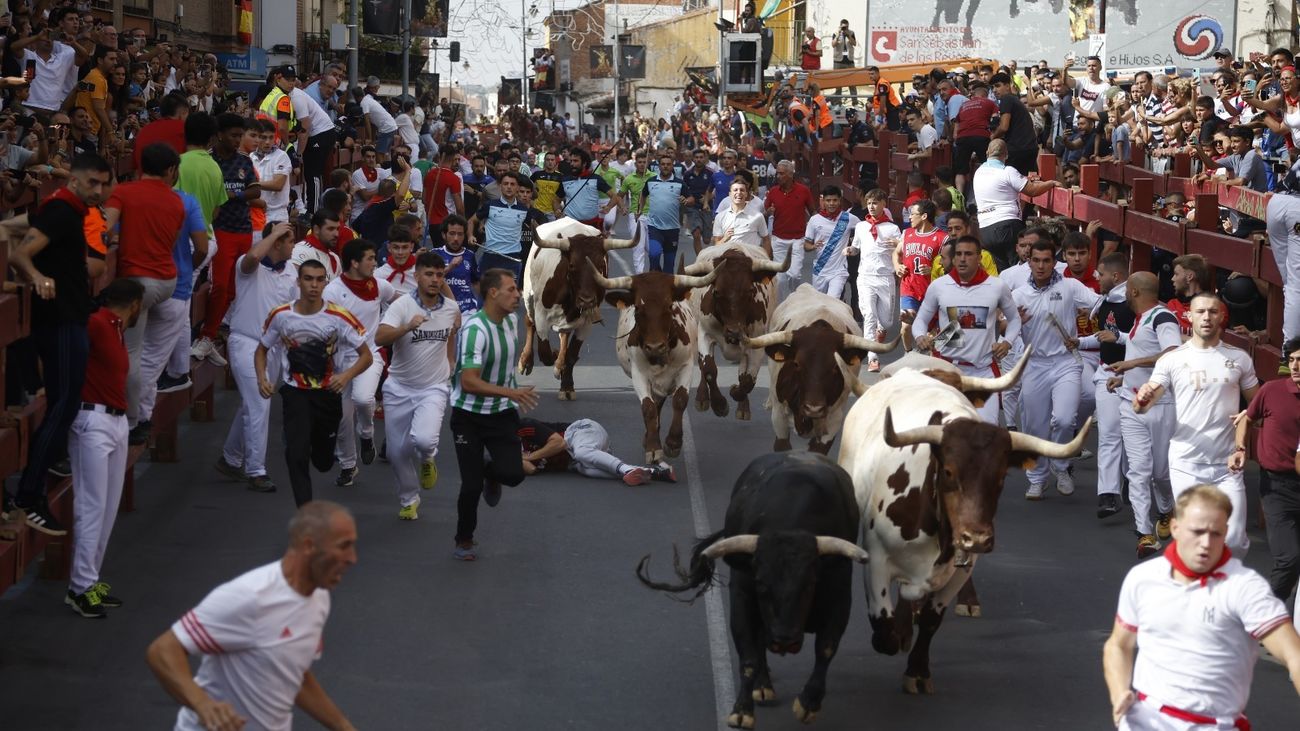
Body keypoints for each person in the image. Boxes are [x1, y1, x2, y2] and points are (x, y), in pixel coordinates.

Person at [145, 501, 359, 731]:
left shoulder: (319, 599)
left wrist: (343, 726)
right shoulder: (249, 596)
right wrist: (203, 704)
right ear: (308, 546)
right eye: (343, 546)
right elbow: (163, 649)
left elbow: (291, 673)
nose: (352, 558)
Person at [1103, 485, 1300, 731]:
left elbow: (1294, 654)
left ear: (1226, 532)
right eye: (1197, 532)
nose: (1206, 543)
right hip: (1147, 720)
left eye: (1215, 533)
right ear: (1174, 528)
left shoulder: (1245, 588)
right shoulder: (1143, 578)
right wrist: (1119, 692)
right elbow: (1118, 645)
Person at [4, 153, 112, 534]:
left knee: (63, 404)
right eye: (93, 183)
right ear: (76, 181)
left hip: (69, 315)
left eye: (103, 184)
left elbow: (15, 237)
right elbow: (20, 254)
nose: (99, 191)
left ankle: (32, 487)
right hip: (61, 320)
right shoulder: (63, 210)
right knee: (63, 404)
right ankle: (30, 495)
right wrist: (36, 276)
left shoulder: (69, 210)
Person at [1136, 292, 1260, 554]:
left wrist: (1244, 427)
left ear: (1221, 317)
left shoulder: (1239, 359)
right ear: (1189, 316)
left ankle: (1221, 585)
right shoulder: (1172, 359)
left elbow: (1258, 405)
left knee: (1234, 540)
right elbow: (1143, 405)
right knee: (1194, 540)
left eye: (1213, 312)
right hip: (1186, 463)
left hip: (1227, 465)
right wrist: (1142, 397)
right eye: (1201, 312)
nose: (1207, 317)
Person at [255, 260, 373, 507]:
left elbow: (366, 355)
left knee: (322, 462)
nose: (314, 285)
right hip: (295, 393)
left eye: (320, 279)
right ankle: (305, 513)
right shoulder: (281, 315)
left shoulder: (338, 317)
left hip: (328, 394)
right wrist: (262, 378)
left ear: (325, 283)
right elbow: (262, 349)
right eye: (308, 279)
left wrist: (346, 376)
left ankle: (322, 449)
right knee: (295, 455)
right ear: (298, 282)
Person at [448, 268, 539, 561]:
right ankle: (464, 539)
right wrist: (512, 393)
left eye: (517, 289)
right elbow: (468, 381)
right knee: (470, 486)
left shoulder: (512, 321)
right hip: (469, 416)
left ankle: (491, 471)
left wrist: (511, 391)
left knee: (514, 475)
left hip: (501, 414)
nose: (518, 294)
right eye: (512, 289)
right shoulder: (475, 329)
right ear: (492, 293)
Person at [64, 278, 143, 617]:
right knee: (91, 506)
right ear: (136, 304)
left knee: (107, 509)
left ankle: (88, 581)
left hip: (115, 420)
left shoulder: (114, 326)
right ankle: (80, 587)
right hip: (92, 419)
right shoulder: (97, 322)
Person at [101, 143, 186, 446]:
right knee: (146, 352)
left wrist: (114, 241)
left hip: (138, 283)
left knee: (131, 354)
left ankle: (133, 420)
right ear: (170, 170)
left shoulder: (125, 192)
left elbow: (103, 227)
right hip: (168, 282)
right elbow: (169, 241)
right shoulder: (177, 202)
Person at [1015, 238, 1102, 500]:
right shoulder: (1018, 295)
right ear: (1029, 262)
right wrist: (1012, 323)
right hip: (1034, 365)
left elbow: (1100, 303)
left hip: (1066, 363)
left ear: (1055, 262)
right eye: (1036, 260)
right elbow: (1003, 329)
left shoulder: (1071, 287)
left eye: (1046, 261)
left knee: (1064, 419)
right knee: (1035, 425)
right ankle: (1037, 478)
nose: (1041, 266)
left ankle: (1060, 466)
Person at [376, 252, 460, 520]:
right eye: (429, 274)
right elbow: (380, 337)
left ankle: (428, 458)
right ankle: (409, 499)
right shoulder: (402, 306)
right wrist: (405, 328)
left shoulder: (450, 309)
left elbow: (452, 333)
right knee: (396, 451)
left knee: (424, 440)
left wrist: (450, 364)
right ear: (417, 277)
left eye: (439, 275)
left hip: (433, 387)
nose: (435, 280)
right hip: (398, 387)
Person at [217, 222, 300, 494]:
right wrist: (274, 232)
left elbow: (293, 311)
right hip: (245, 342)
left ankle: (230, 459)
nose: (293, 246)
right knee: (259, 403)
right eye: (289, 241)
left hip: (273, 348)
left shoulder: (292, 272)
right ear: (276, 242)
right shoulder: (248, 265)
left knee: (250, 405)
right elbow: (253, 257)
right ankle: (256, 470)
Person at [1105, 272, 1182, 557]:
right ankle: (1144, 533)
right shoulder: (1141, 321)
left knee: (1161, 472)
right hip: (1131, 403)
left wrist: (1132, 363)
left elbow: (1173, 353)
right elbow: (1143, 350)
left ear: (1135, 292)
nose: (1125, 295)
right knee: (1138, 471)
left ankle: (1165, 510)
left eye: (1127, 291)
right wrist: (1124, 379)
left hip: (1162, 404)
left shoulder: (1163, 317)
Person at [914, 236, 1020, 424]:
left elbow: (1014, 319)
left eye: (969, 254)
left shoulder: (997, 286)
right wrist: (920, 336)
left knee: (985, 434)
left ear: (980, 258)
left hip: (983, 373)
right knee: (948, 435)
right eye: (959, 254)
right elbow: (921, 319)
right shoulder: (938, 286)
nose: (963, 259)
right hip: (947, 371)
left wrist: (1007, 342)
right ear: (953, 259)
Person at [323, 239, 401, 486]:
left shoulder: (380, 286)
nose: (374, 263)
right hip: (340, 360)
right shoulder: (333, 291)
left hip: (371, 355)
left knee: (364, 398)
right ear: (354, 262)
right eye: (369, 258)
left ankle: (366, 434)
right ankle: (348, 466)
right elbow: (325, 324)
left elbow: (400, 300)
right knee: (343, 418)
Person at [1233, 338, 1300, 601]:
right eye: (1292, 360)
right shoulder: (1271, 390)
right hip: (1276, 487)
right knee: (1289, 558)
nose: (1295, 366)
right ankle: (1265, 617)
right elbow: (1247, 418)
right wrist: (1240, 449)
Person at [196, 114, 261, 365]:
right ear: (220, 134)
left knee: (233, 290)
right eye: (233, 135)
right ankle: (205, 335)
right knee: (219, 286)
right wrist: (233, 195)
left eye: (239, 135)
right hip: (218, 230)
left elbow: (255, 190)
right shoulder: (209, 160)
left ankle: (209, 335)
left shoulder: (244, 162)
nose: (237, 140)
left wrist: (231, 194)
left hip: (243, 230)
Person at [1084, 253, 1132, 521]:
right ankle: (1108, 493)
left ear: (1115, 277)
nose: (1096, 278)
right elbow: (1104, 339)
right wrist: (1078, 342)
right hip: (1107, 373)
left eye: (1100, 274)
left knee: (1133, 437)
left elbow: (1142, 340)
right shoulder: (1104, 302)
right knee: (1110, 431)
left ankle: (1129, 482)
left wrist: (1119, 337)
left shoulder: (1134, 303)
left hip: (1135, 376)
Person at [973, 138, 1058, 269]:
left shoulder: (978, 172)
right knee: (1019, 269)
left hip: (985, 229)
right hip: (1007, 225)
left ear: (987, 153)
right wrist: (1050, 183)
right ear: (1006, 154)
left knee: (1004, 272)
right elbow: (1033, 190)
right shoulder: (1007, 171)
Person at [518, 418, 676, 484]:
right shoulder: (511, 453)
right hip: (577, 459)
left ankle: (625, 469)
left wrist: (530, 456)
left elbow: (559, 443)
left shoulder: (523, 426)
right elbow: (531, 469)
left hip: (580, 431)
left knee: (581, 453)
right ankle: (656, 472)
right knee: (587, 471)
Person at [853, 189, 902, 372]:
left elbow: (901, 251)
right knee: (869, 316)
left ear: (883, 205)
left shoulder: (893, 228)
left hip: (885, 278)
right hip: (865, 277)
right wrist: (851, 251)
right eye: (869, 203)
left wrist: (898, 245)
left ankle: (882, 329)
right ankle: (872, 357)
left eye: (875, 203)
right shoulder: (860, 226)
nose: (872, 206)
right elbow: (856, 247)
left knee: (887, 321)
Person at [894, 199, 945, 351]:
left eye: (912, 214)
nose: (909, 217)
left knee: (932, 334)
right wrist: (897, 266)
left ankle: (932, 363)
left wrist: (933, 269)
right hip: (909, 288)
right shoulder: (907, 234)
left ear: (924, 216)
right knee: (905, 327)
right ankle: (909, 354)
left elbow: (949, 264)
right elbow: (896, 253)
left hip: (931, 291)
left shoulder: (942, 238)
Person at [763, 160, 815, 298]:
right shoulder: (773, 192)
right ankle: (782, 305)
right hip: (778, 240)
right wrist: (768, 212)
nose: (778, 176)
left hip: (798, 240)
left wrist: (814, 232)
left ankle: (794, 298)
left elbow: (813, 212)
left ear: (791, 174)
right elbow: (765, 212)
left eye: (781, 174)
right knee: (780, 279)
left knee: (795, 275)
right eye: (777, 173)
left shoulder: (804, 191)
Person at [803, 185, 860, 298]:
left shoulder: (848, 218)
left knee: (832, 300)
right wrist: (813, 246)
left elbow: (864, 229)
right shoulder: (814, 221)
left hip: (839, 271)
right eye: (828, 200)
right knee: (819, 304)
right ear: (823, 201)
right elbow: (806, 245)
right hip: (820, 270)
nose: (831, 203)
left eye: (835, 200)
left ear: (840, 201)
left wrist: (855, 242)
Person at [641, 151, 684, 272]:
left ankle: (666, 287)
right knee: (654, 254)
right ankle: (655, 272)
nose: (665, 166)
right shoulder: (650, 181)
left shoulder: (679, 183)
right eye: (663, 164)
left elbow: (690, 198)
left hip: (672, 228)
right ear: (659, 166)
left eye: (668, 164)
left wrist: (687, 200)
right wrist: (640, 210)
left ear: (672, 166)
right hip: (655, 226)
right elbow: (643, 195)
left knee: (669, 266)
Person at [437, 215, 481, 316]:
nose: (456, 238)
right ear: (444, 235)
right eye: (452, 234)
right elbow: (431, 279)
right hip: (443, 310)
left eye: (460, 234)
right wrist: (450, 267)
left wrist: (484, 305)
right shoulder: (435, 254)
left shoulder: (469, 255)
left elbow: (476, 282)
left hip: (468, 310)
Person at [712, 176, 770, 252]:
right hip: (728, 260)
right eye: (735, 190)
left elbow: (766, 240)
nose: (738, 193)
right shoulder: (720, 217)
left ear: (746, 194)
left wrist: (765, 260)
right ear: (730, 194)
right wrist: (725, 238)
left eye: (742, 190)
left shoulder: (758, 216)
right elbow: (716, 245)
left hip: (750, 261)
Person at [291, 208, 344, 281]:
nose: (336, 234)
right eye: (331, 229)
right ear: (317, 230)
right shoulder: (299, 251)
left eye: (337, 229)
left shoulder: (335, 258)